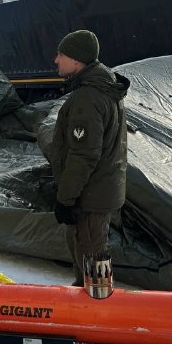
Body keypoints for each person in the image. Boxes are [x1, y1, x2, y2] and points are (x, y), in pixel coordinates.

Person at [48, 29, 129, 286]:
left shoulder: (88, 98)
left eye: (60, 55)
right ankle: (89, 298)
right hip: (97, 192)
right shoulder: (104, 88)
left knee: (91, 262)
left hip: (89, 196)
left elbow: (83, 155)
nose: (56, 60)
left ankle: (95, 304)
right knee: (91, 257)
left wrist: (66, 198)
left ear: (76, 60)